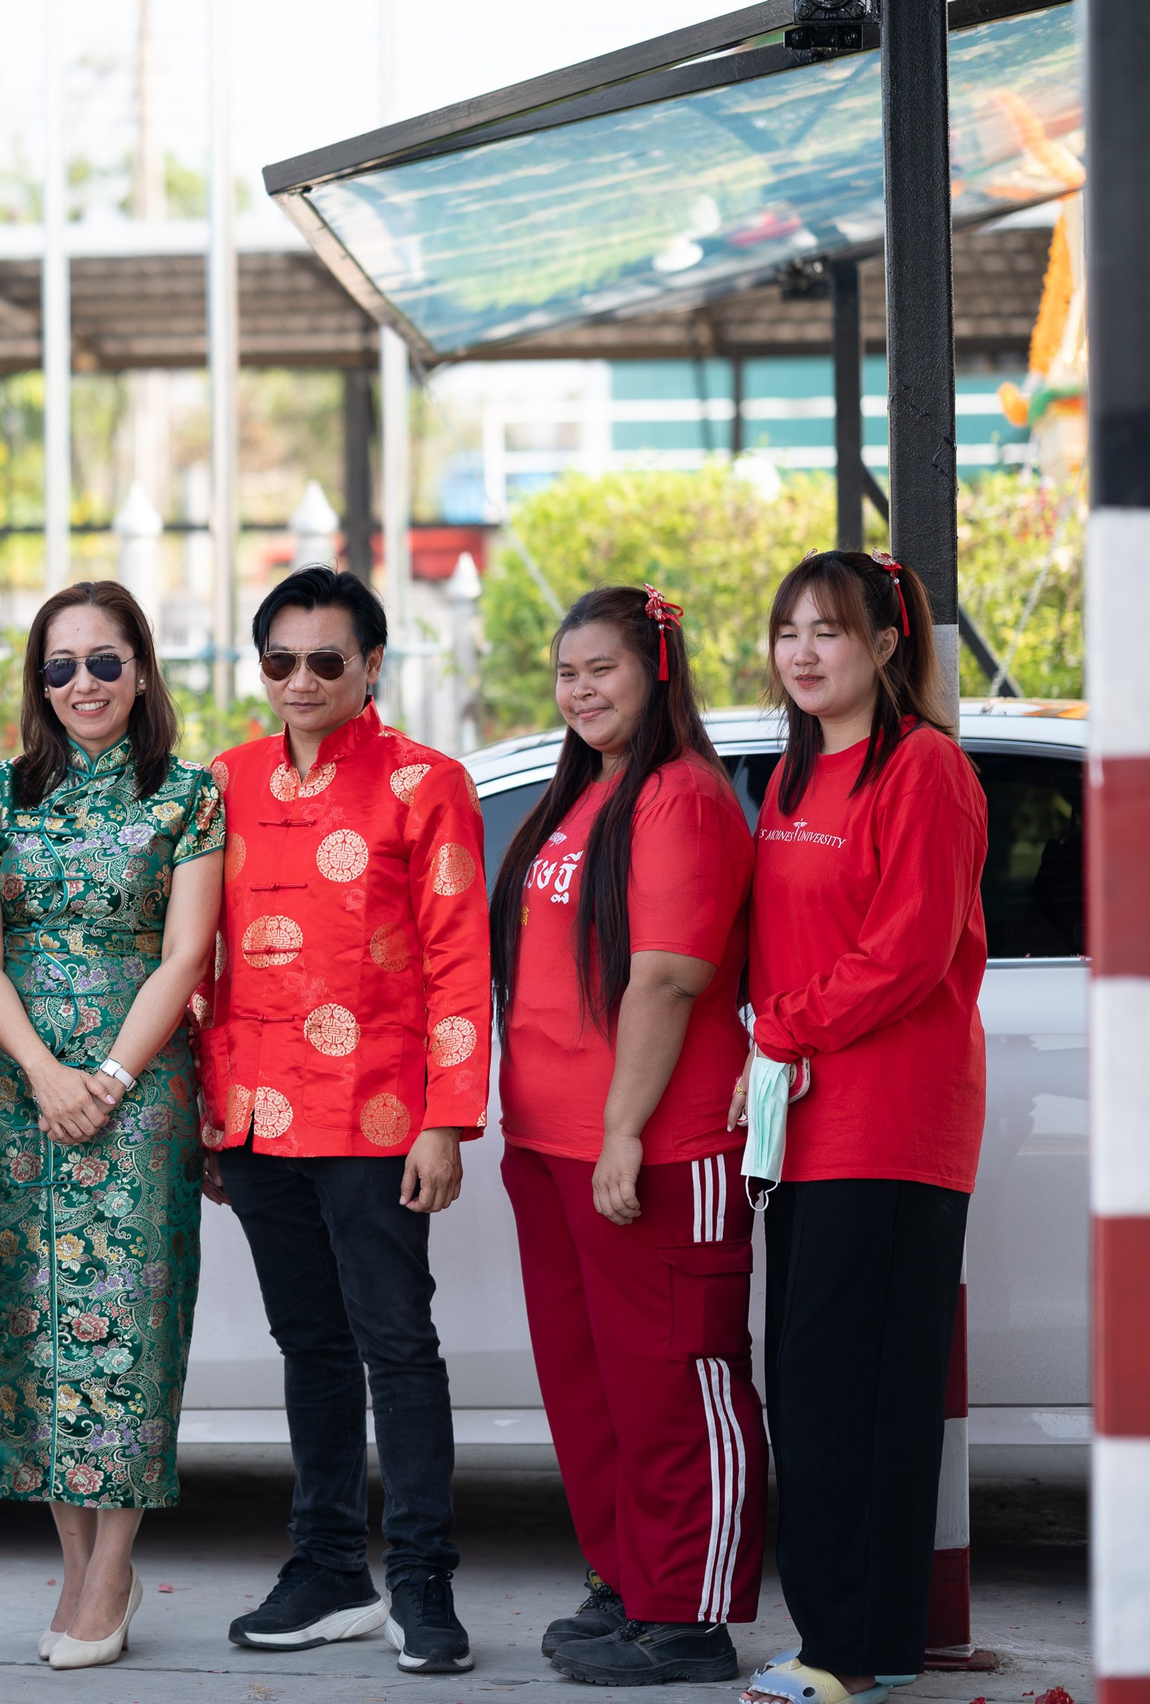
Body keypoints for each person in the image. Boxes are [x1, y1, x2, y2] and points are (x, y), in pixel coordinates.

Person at [196, 565, 486, 1674]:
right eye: (280, 660)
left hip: (378, 1118)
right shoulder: (222, 782)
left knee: (396, 1348)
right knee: (307, 1346)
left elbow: (460, 961)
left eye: (326, 660)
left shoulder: (427, 783)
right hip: (258, 1117)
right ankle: (325, 1568)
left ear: (371, 665)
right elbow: (201, 960)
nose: (302, 680)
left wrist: (446, 1119)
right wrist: (211, 1112)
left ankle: (421, 1580)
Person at [489, 587, 763, 1685]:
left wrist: (621, 1132)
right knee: (590, 1388)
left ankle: (689, 1615)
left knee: (672, 1386)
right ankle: (625, 1585)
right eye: (565, 672)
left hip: (651, 1146)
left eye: (600, 667)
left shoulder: (682, 798)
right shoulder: (578, 797)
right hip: (551, 1146)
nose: (580, 690)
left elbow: (664, 979)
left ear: (656, 666)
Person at [0, 580, 223, 1673]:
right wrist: (41, 1070)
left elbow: (185, 953)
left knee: (130, 1328)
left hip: (138, 1095)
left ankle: (113, 1571)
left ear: (141, 671)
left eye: (103, 662)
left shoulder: (188, 795)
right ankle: (75, 1568)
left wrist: (105, 1076)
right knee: (34, 1328)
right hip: (19, 1093)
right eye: (59, 666)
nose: (82, 685)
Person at [737, 552, 987, 1704]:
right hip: (805, 1127)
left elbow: (908, 952)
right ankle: (864, 1642)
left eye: (828, 631)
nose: (801, 652)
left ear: (887, 645)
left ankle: (842, 1650)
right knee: (814, 1387)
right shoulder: (793, 777)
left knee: (856, 1398)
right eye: (787, 629)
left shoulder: (922, 769)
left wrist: (778, 1029)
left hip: (889, 1127)